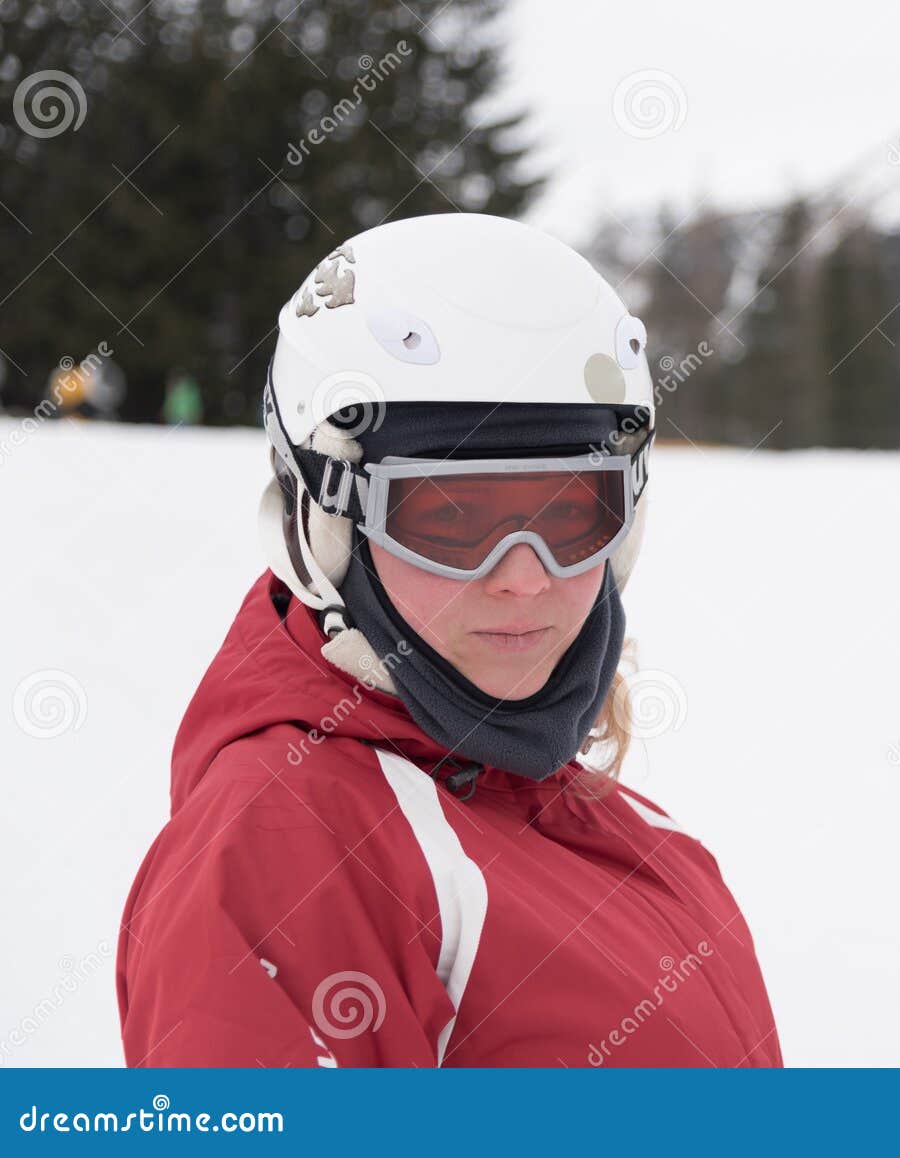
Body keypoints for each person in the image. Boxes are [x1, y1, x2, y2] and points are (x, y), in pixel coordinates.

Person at [116, 213, 783, 1068]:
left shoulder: (600, 816)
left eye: (572, 514)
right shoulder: (285, 848)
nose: (526, 577)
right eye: (452, 516)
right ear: (328, 528)